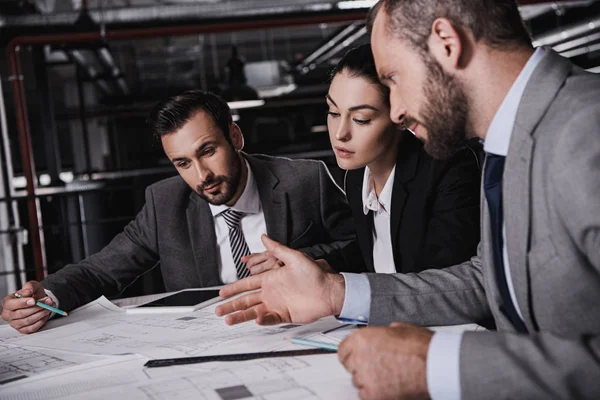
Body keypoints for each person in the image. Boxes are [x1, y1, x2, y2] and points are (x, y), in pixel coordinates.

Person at [214, 0, 600, 399]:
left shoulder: (587, 131)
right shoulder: (509, 140)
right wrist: (336, 293)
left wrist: (438, 364)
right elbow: (486, 280)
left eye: (393, 78)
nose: (395, 111)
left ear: (446, 43)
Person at [1, 90, 355, 334]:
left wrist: (304, 261)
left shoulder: (306, 180)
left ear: (235, 136)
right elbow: (99, 272)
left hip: (298, 331)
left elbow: (363, 248)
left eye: (208, 151)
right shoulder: (165, 204)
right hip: (207, 346)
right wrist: (46, 296)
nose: (202, 176)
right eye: (183, 163)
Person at [318, 43, 480, 275]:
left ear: (400, 116)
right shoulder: (356, 177)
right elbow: (379, 248)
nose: (339, 133)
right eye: (333, 112)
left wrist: (340, 292)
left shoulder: (448, 169)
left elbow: (446, 283)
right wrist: (321, 266)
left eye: (361, 119)